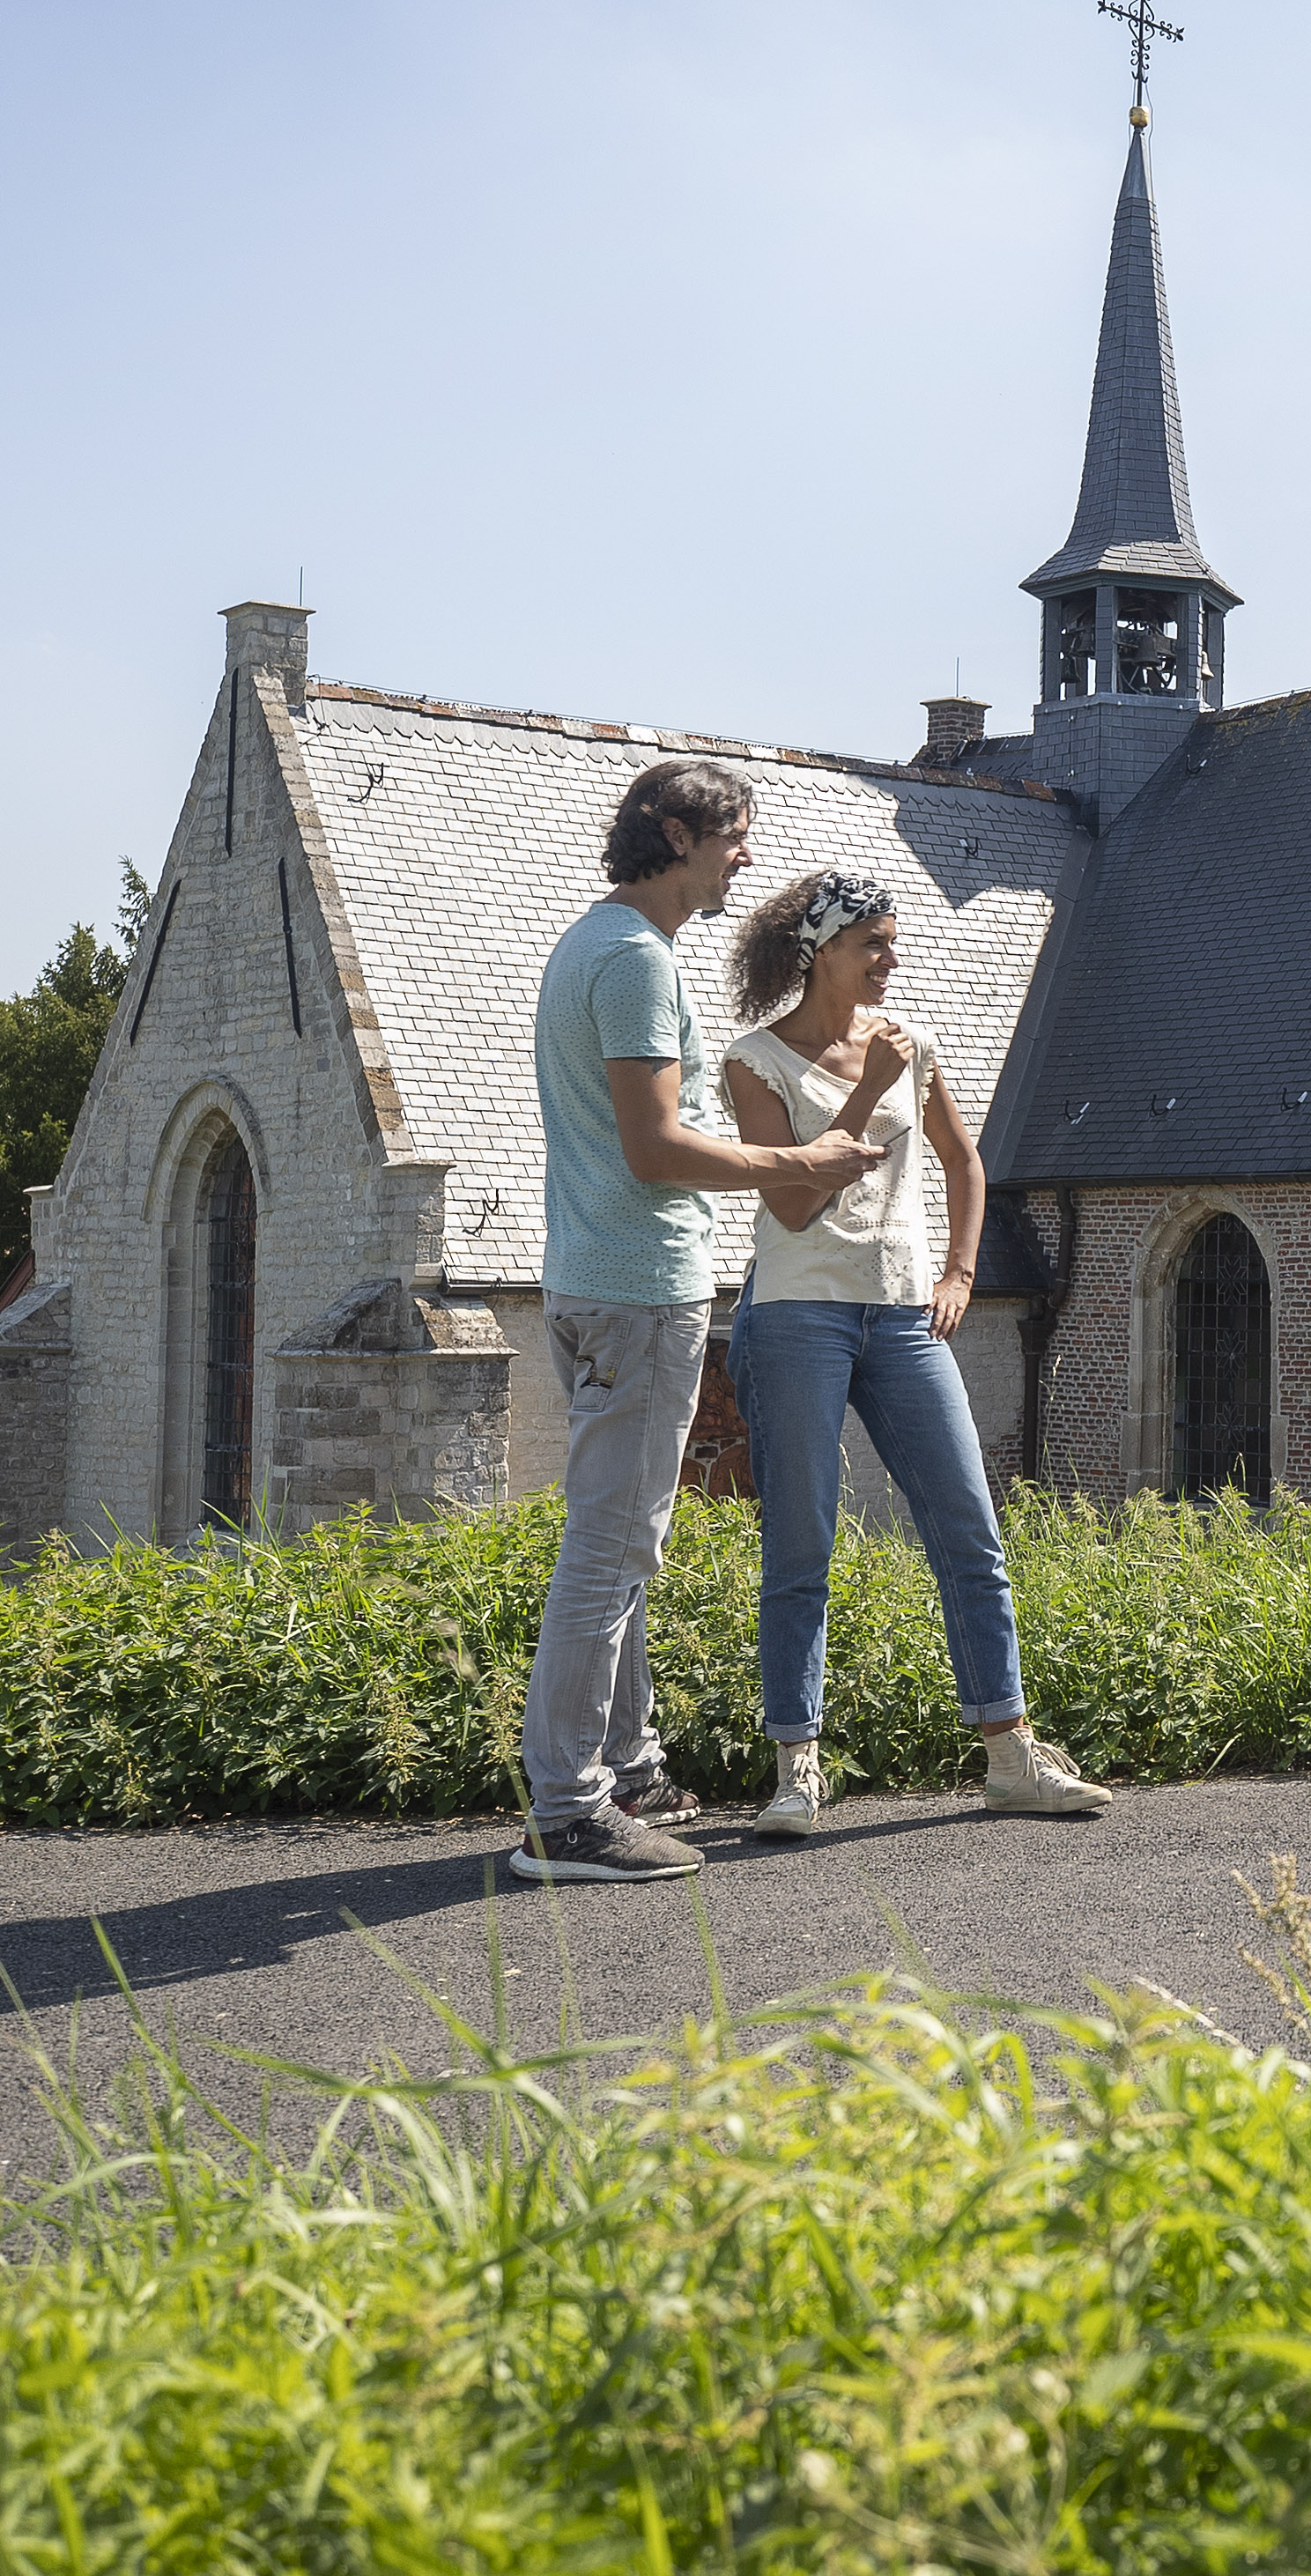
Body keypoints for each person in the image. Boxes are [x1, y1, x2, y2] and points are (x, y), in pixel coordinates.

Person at [511, 760, 883, 1884]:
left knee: (614, 1536)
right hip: (635, 1290)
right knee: (613, 1548)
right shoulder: (633, 961)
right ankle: (568, 1813)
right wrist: (800, 1157)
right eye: (734, 835)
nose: (748, 857)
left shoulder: (594, 945)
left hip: (587, 1280)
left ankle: (623, 1769)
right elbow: (654, 1148)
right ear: (675, 833)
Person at [721, 868, 1110, 1834]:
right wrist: (868, 1097)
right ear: (819, 952)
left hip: (900, 1316)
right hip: (796, 1313)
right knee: (801, 1541)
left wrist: (961, 1276)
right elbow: (792, 1200)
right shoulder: (754, 1061)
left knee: (969, 1532)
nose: (891, 961)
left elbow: (963, 1161)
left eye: (893, 943)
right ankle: (795, 1770)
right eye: (873, 945)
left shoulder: (912, 1046)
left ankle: (1012, 1757)